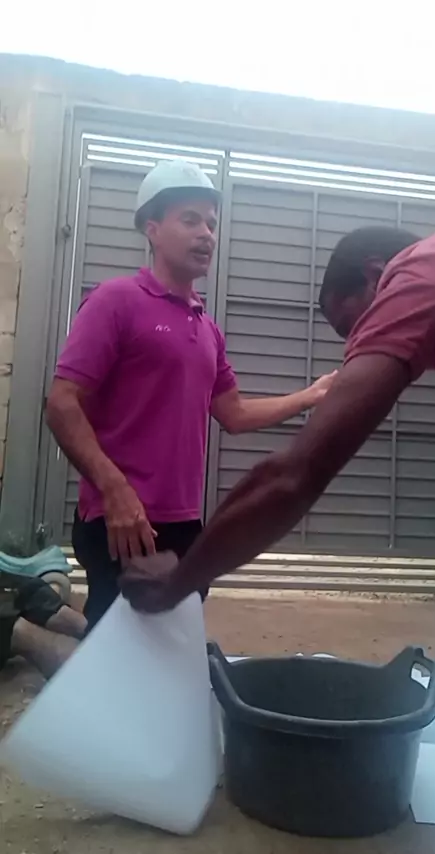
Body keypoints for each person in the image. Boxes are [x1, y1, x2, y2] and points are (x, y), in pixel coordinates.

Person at [0, 159, 334, 675]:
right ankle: (34, 645)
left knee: (163, 647)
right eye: (190, 219)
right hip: (121, 521)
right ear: (151, 229)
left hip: (183, 521)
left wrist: (311, 395)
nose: (206, 234)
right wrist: (115, 489)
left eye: (212, 224)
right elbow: (62, 404)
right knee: (124, 660)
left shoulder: (207, 327)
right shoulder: (116, 301)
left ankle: (49, 629)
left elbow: (234, 413)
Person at [120, 207, 435, 612]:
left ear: (375, 274)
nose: (359, 343)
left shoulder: (414, 283)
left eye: (356, 325)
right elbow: (235, 417)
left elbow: (292, 477)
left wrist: (175, 583)